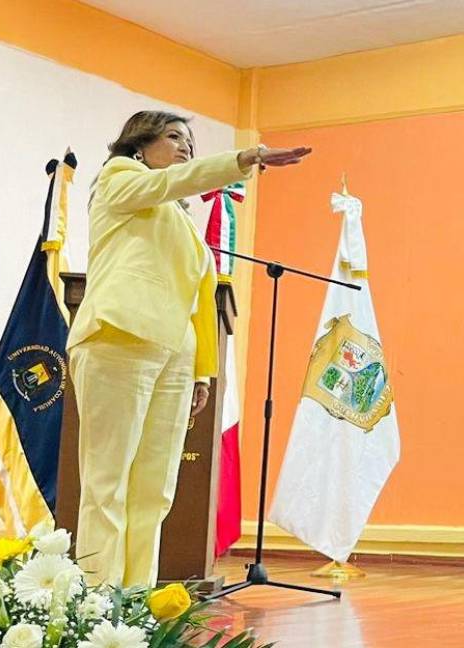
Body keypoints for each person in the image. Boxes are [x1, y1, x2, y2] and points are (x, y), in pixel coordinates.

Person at [67, 110, 311, 587]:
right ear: (139, 144)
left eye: (191, 142)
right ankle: (96, 599)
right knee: (107, 483)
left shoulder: (178, 218)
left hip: (172, 356)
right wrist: (245, 158)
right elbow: (173, 182)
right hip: (120, 338)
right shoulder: (123, 179)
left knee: (155, 489)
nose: (186, 147)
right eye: (174, 137)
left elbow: (202, 297)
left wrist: (202, 371)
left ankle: (135, 602)